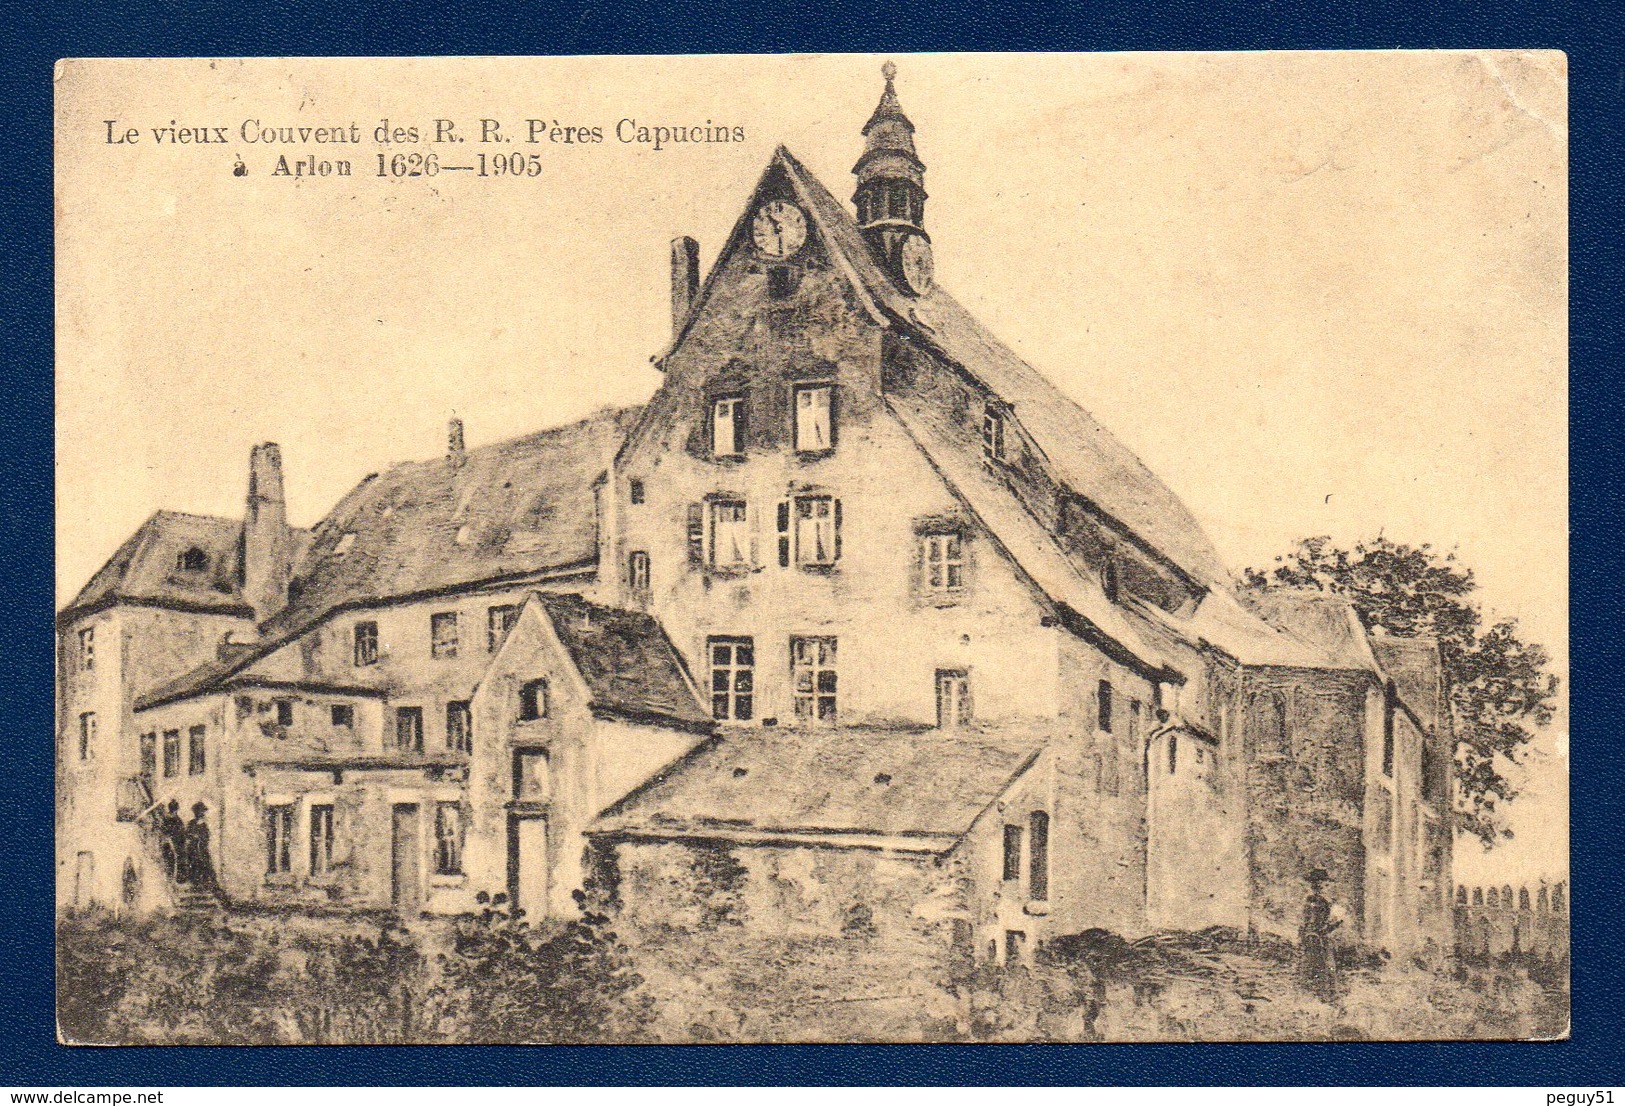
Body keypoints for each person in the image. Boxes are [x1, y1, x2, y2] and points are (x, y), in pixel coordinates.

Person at [1299, 867, 1342, 1000]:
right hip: (1309, 937)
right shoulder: (1308, 900)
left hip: (1323, 938)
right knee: (1308, 964)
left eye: (1320, 882)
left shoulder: (1329, 901)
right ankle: (1308, 995)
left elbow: (1338, 920)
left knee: (1326, 965)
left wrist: (1326, 931)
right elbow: (1305, 920)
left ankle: (1328, 995)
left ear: (1325, 884)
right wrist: (1304, 933)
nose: (1316, 885)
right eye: (1314, 882)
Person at [183, 802, 217, 892]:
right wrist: (192, 836)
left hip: (201, 849)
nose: (200, 814)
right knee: (193, 866)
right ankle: (195, 885)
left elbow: (207, 836)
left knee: (205, 866)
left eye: (202, 812)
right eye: (198, 812)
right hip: (193, 850)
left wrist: (200, 838)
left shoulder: (204, 824)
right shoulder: (191, 823)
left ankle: (206, 886)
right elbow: (187, 834)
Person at [158, 799, 185, 883]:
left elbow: (181, 832)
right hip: (169, 844)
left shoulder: (177, 819)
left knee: (175, 862)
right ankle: (170, 880)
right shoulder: (168, 819)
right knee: (170, 862)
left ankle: (173, 880)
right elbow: (164, 832)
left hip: (176, 843)